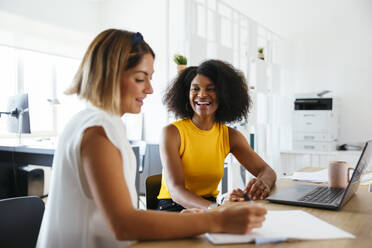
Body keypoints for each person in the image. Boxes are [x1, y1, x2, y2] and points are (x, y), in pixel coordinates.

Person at [36, 29, 267, 248]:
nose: (150, 90)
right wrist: (217, 219)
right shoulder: (97, 132)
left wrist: (188, 220)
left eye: (150, 78)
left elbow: (116, 215)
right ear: (110, 74)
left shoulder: (103, 124)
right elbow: (123, 224)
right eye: (140, 79)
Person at [157, 60, 277, 211]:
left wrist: (263, 183)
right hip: (175, 208)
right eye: (195, 89)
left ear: (224, 95)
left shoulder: (230, 136)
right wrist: (218, 209)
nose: (201, 95)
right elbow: (176, 191)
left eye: (211, 89)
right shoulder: (172, 133)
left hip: (209, 206)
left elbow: (267, 171)